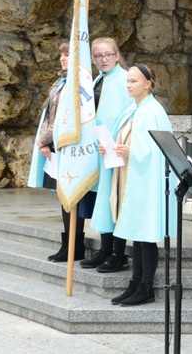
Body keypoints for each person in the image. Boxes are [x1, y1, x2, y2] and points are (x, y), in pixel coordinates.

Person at [96, 64, 177, 306]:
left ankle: (146, 287)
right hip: (133, 178)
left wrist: (129, 151)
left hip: (146, 181)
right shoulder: (135, 108)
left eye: (133, 81)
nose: (128, 84)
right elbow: (127, 140)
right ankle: (135, 283)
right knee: (137, 235)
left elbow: (160, 149)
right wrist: (110, 148)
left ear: (148, 84)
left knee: (146, 236)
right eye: (127, 80)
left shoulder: (153, 111)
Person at [28, 41, 88, 262]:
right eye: (61, 55)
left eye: (68, 55)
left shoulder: (79, 85)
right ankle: (68, 245)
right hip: (55, 147)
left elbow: (67, 119)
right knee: (64, 198)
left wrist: (45, 140)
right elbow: (50, 115)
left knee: (72, 196)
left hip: (70, 148)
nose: (63, 59)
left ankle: (76, 245)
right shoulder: (60, 82)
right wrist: (44, 142)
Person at [81, 37, 134, 273]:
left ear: (116, 55)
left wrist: (119, 144)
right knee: (103, 202)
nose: (103, 59)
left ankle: (118, 254)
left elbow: (129, 115)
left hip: (116, 150)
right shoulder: (98, 80)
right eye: (98, 56)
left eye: (108, 55)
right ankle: (105, 250)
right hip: (100, 150)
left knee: (116, 202)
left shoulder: (124, 80)